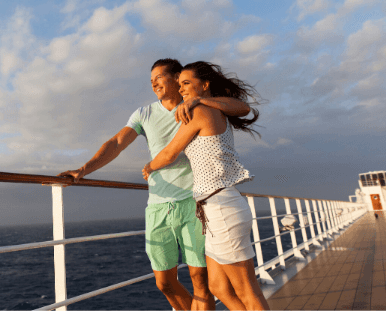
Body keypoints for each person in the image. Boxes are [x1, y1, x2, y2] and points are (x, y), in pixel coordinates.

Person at [58, 59, 250, 311]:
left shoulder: (195, 105)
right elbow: (117, 142)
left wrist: (199, 100)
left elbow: (239, 107)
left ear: (176, 78)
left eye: (159, 77)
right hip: (158, 205)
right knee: (164, 283)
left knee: (200, 281)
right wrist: (83, 170)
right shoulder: (144, 114)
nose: (154, 83)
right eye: (151, 81)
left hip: (194, 203)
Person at [142, 61, 270, 311]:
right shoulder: (210, 107)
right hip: (212, 210)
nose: (181, 90)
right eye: (179, 85)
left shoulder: (201, 111)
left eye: (186, 84)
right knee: (218, 288)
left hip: (222, 207)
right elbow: (240, 107)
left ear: (205, 84)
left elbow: (169, 153)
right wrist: (198, 100)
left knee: (247, 290)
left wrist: (149, 167)